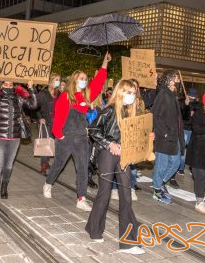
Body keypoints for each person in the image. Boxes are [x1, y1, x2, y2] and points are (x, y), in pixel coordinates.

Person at [85, 79, 149, 255]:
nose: (131, 95)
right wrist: (109, 144)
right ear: (120, 93)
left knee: (126, 197)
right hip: (108, 154)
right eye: (128, 92)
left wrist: (146, 137)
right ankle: (94, 228)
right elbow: (93, 129)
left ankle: (128, 242)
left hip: (125, 156)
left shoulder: (132, 112)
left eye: (133, 92)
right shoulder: (110, 109)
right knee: (104, 193)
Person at [43, 53, 111, 211]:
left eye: (86, 78)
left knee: (83, 167)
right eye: (81, 78)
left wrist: (104, 63)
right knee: (59, 164)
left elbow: (99, 82)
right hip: (66, 138)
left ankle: (81, 198)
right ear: (74, 80)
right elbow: (58, 117)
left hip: (81, 138)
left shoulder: (86, 95)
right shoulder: (66, 96)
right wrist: (59, 135)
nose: (84, 80)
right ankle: (48, 183)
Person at [0, 77, 37, 212]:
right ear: (1, 84)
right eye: (6, 83)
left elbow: (33, 105)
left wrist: (31, 88)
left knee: (8, 166)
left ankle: (4, 184)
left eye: (11, 83)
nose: (8, 85)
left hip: (15, 138)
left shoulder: (19, 98)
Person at [151, 70, 188, 204]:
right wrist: (164, 132)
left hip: (174, 135)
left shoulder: (172, 95)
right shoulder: (163, 94)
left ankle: (161, 182)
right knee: (162, 164)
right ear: (170, 80)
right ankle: (157, 188)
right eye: (176, 78)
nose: (178, 80)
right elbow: (155, 115)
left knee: (176, 162)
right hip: (165, 136)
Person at [36, 73, 61, 175]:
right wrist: (40, 117)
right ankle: (43, 165)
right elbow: (36, 107)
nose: (57, 81)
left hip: (57, 122)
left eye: (59, 80)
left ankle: (46, 161)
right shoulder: (43, 93)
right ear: (50, 81)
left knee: (52, 143)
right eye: (55, 79)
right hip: (45, 121)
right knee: (45, 143)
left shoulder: (59, 94)